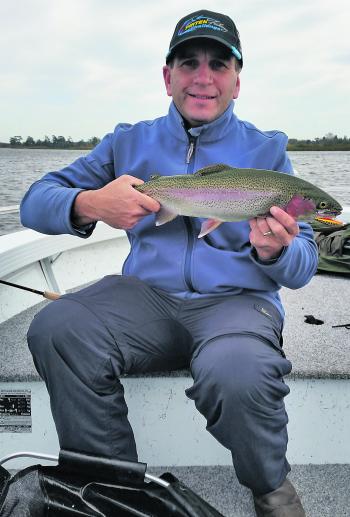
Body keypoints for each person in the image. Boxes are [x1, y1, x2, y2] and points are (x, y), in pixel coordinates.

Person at [21, 10, 316, 516]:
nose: (203, 78)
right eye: (188, 63)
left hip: (238, 304)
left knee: (239, 370)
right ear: (167, 76)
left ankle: (272, 491)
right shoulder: (127, 141)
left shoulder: (269, 151)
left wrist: (276, 250)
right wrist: (91, 204)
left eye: (219, 65)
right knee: (57, 327)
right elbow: (36, 199)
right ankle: (114, 487)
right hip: (145, 299)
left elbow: (304, 261)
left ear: (237, 81)